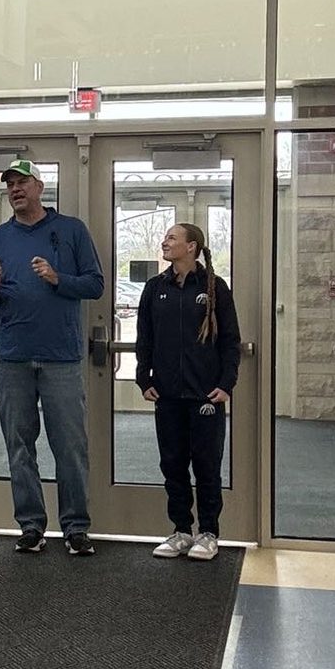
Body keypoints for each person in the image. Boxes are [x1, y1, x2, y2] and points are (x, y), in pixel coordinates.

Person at [0, 159, 104, 556]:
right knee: (19, 445)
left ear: (40, 187)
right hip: (13, 359)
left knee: (69, 446)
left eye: (22, 182)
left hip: (60, 359)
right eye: (10, 184)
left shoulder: (71, 231)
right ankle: (31, 526)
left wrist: (56, 278)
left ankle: (76, 528)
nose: (15, 189)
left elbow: (95, 285)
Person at [135, 223, 241, 561]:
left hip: (205, 395)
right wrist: (143, 376)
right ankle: (181, 530)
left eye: (171, 238)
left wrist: (226, 384)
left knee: (207, 466)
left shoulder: (215, 288)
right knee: (173, 464)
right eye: (165, 238)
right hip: (167, 395)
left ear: (191, 247)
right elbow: (145, 338)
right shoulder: (155, 288)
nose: (164, 242)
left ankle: (208, 532)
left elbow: (229, 342)